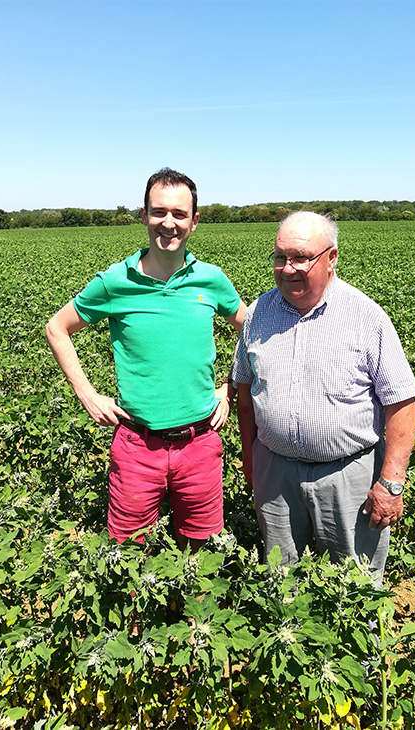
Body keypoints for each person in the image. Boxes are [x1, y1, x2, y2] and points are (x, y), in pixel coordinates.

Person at [44, 168, 247, 550]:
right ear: (143, 215)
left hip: (200, 443)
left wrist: (229, 386)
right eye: (158, 212)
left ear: (195, 222)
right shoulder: (114, 282)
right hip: (138, 444)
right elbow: (57, 329)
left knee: (202, 554)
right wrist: (87, 395)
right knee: (129, 553)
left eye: (179, 214)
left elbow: (250, 328)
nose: (168, 223)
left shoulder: (211, 280)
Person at [232, 211, 415, 581]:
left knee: (355, 585)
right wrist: (251, 461)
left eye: (301, 258)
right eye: (280, 257)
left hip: (350, 476)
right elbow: (244, 395)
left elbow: (402, 403)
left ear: (331, 258)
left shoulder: (366, 317)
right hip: (276, 472)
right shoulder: (258, 314)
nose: (288, 269)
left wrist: (391, 482)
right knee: (280, 581)